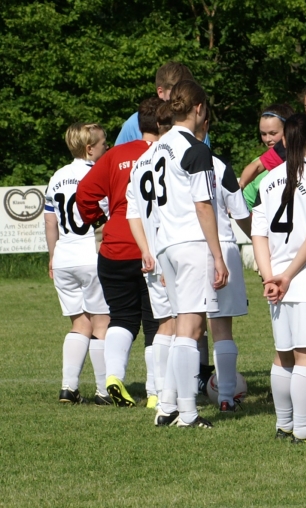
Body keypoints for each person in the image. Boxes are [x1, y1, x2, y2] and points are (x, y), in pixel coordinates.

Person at [252, 113, 306, 443]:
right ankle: (302, 430)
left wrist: (269, 277)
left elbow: (259, 235)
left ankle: (283, 425)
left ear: (285, 140)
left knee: (283, 354)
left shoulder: (267, 181)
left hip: (277, 282)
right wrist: (286, 276)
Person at [148, 79, 227, 429]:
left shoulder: (157, 148)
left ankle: (167, 405)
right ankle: (188, 412)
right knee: (191, 329)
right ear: (199, 108)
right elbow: (203, 205)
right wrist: (219, 256)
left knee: (181, 324)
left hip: (166, 242)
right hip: (191, 243)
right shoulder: (195, 148)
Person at [77, 98, 164, 408]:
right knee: (156, 322)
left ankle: (113, 377)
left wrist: (99, 220)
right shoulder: (169, 153)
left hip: (114, 247)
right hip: (153, 247)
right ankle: (155, 392)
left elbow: (84, 193)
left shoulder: (116, 154)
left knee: (122, 318)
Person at [45, 122, 111, 405]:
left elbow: (50, 221)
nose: (107, 147)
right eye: (103, 143)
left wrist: (52, 256)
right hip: (91, 255)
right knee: (102, 323)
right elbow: (106, 219)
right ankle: (104, 391)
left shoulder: (58, 176)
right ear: (89, 148)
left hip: (64, 257)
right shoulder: (99, 174)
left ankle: (68, 388)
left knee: (79, 323)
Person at [194, 114, 252, 412]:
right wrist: (261, 242)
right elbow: (240, 213)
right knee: (221, 328)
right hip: (221, 246)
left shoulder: (162, 162)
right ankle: (226, 396)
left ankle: (173, 396)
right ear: (205, 126)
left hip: (180, 248)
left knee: (183, 327)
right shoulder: (218, 166)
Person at [125, 101, 179, 411]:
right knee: (182, 324)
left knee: (163, 324)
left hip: (152, 253)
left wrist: (145, 249)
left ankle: (159, 392)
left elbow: (133, 213)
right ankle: (172, 394)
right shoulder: (174, 155)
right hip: (175, 249)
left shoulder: (139, 163)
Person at [114, 63, 204, 146]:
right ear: (160, 92)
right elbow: (117, 155)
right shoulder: (134, 123)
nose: (178, 100)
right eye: (173, 95)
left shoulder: (195, 121)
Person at [239, 104, 296, 191]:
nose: (267, 139)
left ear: (289, 130)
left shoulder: (304, 151)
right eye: (263, 134)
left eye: (273, 133)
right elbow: (257, 167)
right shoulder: (258, 163)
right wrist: (239, 187)